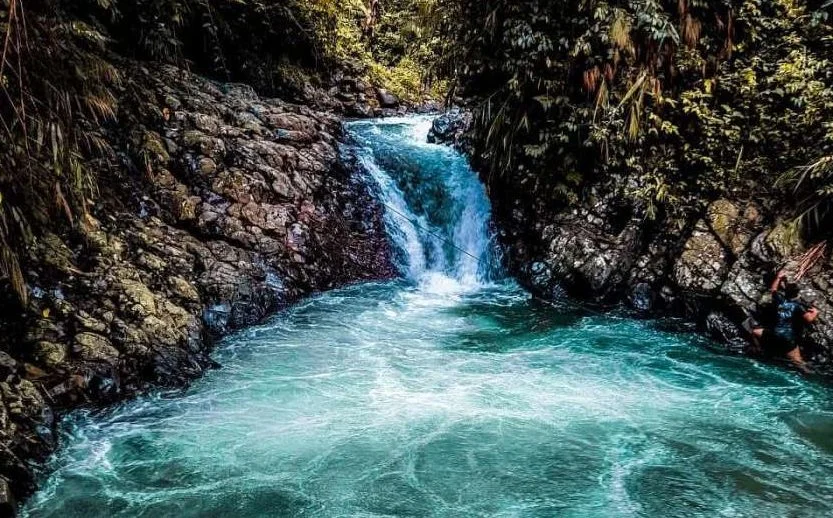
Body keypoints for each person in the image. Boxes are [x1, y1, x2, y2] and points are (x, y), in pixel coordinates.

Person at [746, 270, 819, 371]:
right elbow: (809, 319)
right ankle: (809, 375)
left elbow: (773, 290)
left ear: (786, 292)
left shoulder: (779, 301)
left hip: (774, 333)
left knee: (754, 332)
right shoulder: (798, 307)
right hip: (787, 338)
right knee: (799, 362)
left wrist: (778, 277)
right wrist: (815, 312)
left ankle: (760, 350)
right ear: (797, 294)